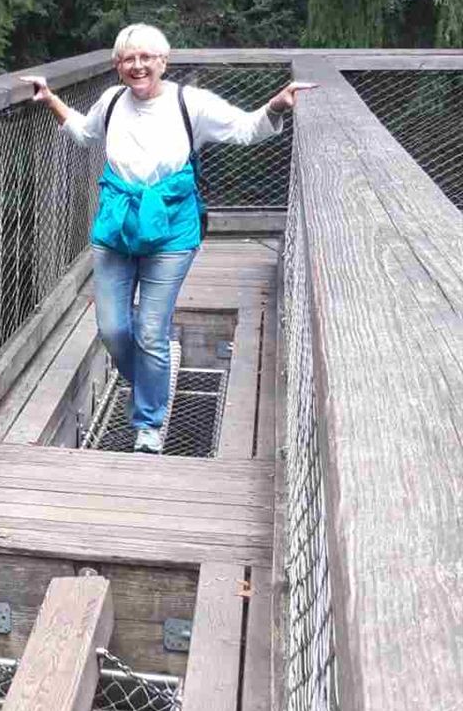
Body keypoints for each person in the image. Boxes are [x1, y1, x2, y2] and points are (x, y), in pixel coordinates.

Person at [24, 25, 314, 453]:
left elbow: (243, 129)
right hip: (117, 224)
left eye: (146, 57)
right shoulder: (112, 101)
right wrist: (50, 100)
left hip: (172, 229)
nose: (137, 65)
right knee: (112, 329)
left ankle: (149, 426)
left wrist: (275, 105)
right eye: (128, 58)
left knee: (150, 330)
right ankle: (150, 384)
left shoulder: (189, 102)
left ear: (163, 61)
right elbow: (85, 133)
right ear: (117, 66)